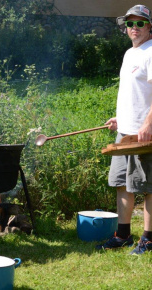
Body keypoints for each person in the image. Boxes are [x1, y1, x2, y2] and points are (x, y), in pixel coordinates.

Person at [97, 4, 152, 254]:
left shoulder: (151, 52)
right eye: (130, 23)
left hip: (145, 134)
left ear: (150, 26)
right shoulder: (130, 54)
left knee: (148, 186)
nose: (135, 28)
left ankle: (149, 239)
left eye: (140, 23)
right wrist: (119, 118)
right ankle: (124, 235)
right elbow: (132, 93)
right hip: (125, 132)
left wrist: (148, 124)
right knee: (122, 183)